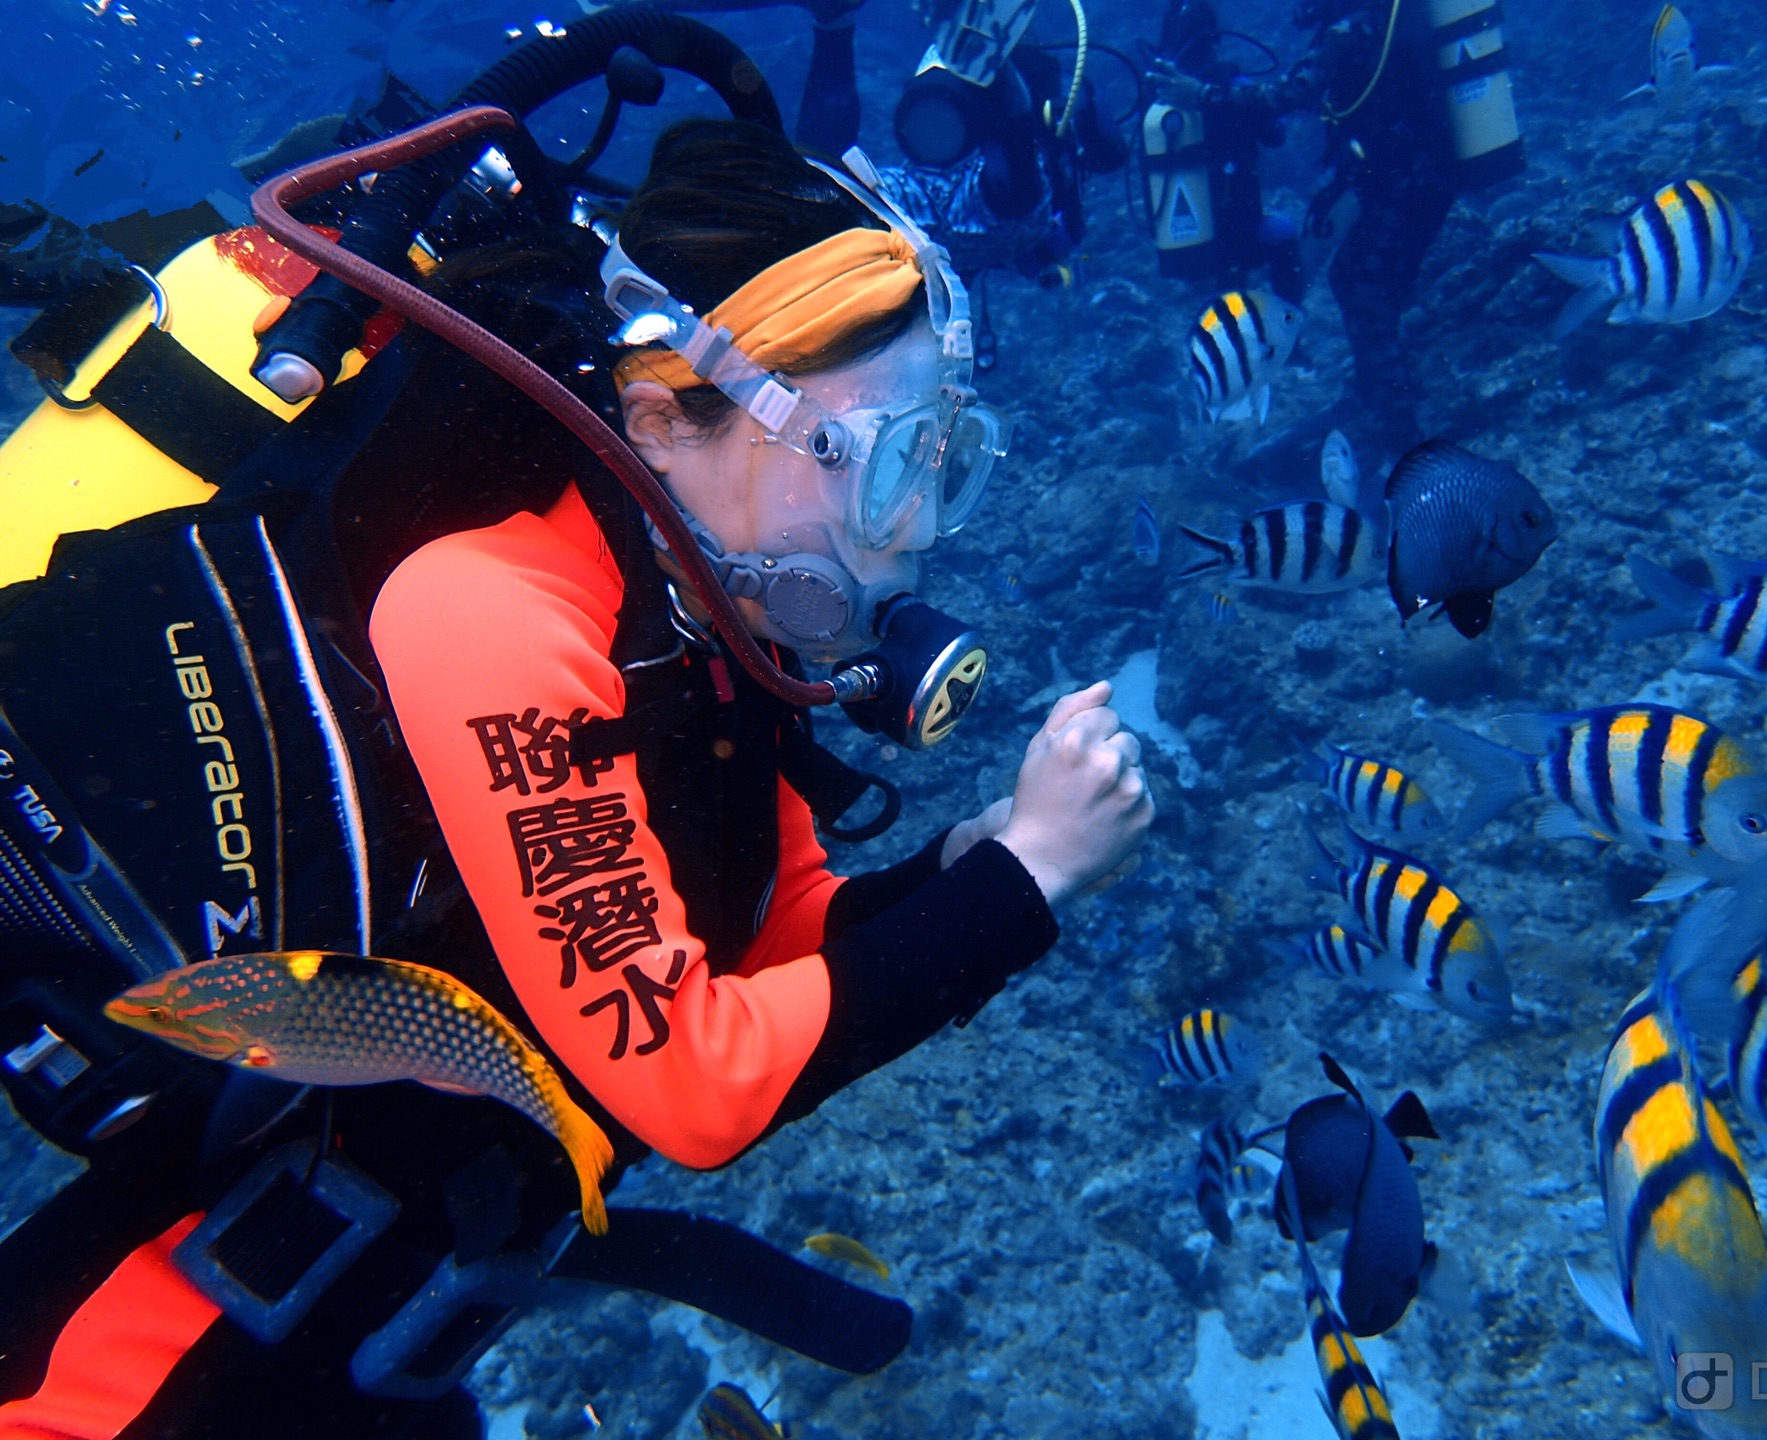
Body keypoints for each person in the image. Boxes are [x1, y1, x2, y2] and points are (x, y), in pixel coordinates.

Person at [0, 103, 1152, 1440]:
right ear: (662, 419)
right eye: (880, 467)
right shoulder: (491, 611)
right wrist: (1028, 879)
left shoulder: (690, 620)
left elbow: (774, 931)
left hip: (387, 1323)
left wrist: (966, 869)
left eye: (939, 461)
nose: (911, 533)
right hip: (151, 1365)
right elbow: (692, 1080)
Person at [791, 0, 1128, 367]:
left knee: (825, 192)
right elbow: (1100, 160)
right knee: (825, 193)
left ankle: (833, 25)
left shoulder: (1047, 91)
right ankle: (836, 26)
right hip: (997, 217)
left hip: (935, 211)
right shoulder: (1048, 94)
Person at [1265, 0, 1465, 452]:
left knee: (1361, 283)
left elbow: (1285, 95)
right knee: (1374, 285)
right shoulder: (1377, 21)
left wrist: (1201, 95)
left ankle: (1399, 427)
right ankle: (1378, 391)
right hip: (1421, 177)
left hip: (1409, 181)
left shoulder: (1347, 31)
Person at [1139, 0, 1305, 300]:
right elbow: (1275, 134)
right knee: (1284, 235)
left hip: (1180, 242)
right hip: (1241, 236)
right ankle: (1289, 333)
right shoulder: (1232, 87)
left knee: (1220, 316)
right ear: (1214, 38)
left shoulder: (1158, 99)